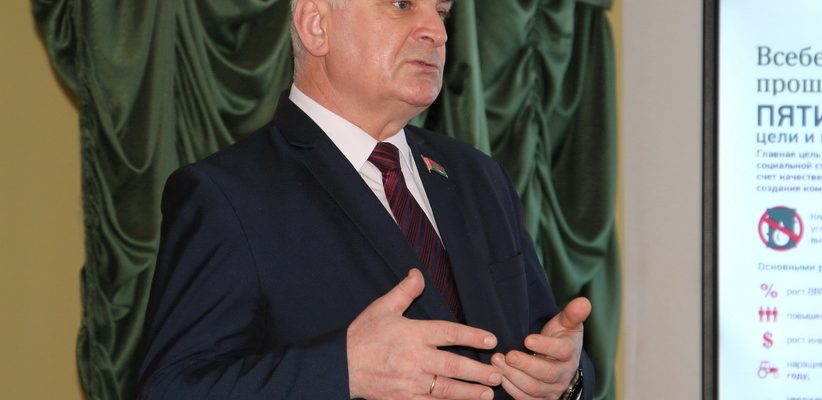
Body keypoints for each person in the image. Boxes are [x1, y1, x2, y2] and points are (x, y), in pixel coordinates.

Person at [137, 0, 595, 398]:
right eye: (401, 4)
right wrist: (344, 369)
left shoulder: (478, 177)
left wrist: (564, 377)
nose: (436, 32)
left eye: (441, 12)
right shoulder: (226, 194)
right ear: (316, 25)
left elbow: (542, 342)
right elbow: (172, 389)